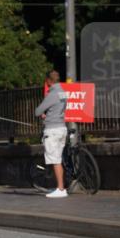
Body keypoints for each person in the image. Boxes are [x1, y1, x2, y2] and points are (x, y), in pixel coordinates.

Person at [35, 69, 69, 198]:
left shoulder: (52, 94)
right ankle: (60, 188)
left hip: (52, 130)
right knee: (58, 159)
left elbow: (38, 111)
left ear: (49, 81)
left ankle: (60, 189)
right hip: (61, 128)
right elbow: (59, 109)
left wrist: (44, 114)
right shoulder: (62, 93)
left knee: (55, 160)